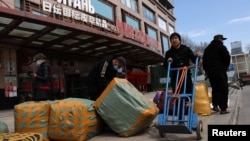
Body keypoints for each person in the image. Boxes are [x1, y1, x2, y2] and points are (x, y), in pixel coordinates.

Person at [164, 32, 202, 121]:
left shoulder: (186, 49)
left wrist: (198, 56)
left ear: (179, 40)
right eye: (172, 39)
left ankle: (191, 118)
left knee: (189, 98)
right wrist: (168, 60)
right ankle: (180, 120)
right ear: (170, 41)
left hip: (186, 77)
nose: (174, 40)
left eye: (176, 38)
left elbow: (194, 60)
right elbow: (165, 66)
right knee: (178, 98)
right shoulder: (168, 52)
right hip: (175, 78)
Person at [202, 34, 230, 114]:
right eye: (222, 39)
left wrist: (207, 72)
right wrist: (224, 67)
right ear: (219, 39)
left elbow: (204, 62)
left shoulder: (207, 49)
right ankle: (223, 109)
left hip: (211, 73)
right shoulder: (221, 47)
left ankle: (215, 105)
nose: (222, 41)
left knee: (215, 89)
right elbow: (227, 58)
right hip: (220, 71)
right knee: (223, 89)